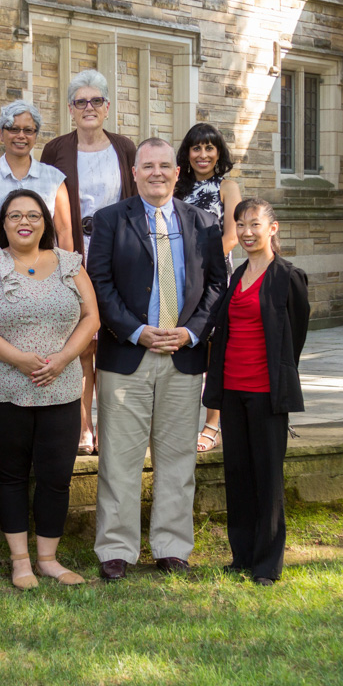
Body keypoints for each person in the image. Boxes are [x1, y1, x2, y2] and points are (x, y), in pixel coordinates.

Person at [86, 137, 227, 581]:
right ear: (135, 172)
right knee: (118, 460)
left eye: (165, 165)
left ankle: (171, 546)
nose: (157, 173)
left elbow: (215, 287)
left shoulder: (203, 222)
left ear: (177, 170)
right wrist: (137, 330)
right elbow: (99, 283)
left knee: (178, 458)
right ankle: (116, 548)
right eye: (148, 166)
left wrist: (189, 332)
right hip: (127, 354)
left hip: (183, 357)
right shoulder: (110, 220)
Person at [0, 189, 99, 590]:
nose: (25, 222)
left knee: (57, 476)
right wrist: (19, 359)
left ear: (45, 223)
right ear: (2, 223)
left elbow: (91, 317)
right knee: (12, 475)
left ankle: (49, 559)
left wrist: (62, 358)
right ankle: (21, 561)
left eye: (34, 215)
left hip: (62, 386)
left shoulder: (68, 263)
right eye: (15, 215)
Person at [202, 198, 309, 587]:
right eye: (241, 225)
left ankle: (267, 563)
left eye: (255, 225)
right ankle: (241, 555)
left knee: (267, 477)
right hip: (232, 389)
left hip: (266, 392)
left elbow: (294, 337)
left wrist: (276, 377)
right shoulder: (237, 276)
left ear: (273, 228)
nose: (247, 232)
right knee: (238, 475)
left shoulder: (287, 276)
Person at [41, 69, 138, 456]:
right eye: (81, 102)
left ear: (107, 106)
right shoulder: (56, 149)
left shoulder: (125, 147)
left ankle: (117, 425)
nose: (89, 108)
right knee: (81, 343)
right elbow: (48, 202)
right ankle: (83, 425)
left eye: (96, 101)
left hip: (119, 257)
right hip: (73, 255)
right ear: (70, 108)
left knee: (116, 339)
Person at [173, 123, 242, 453]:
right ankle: (177, 421)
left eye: (209, 148)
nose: (202, 155)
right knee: (182, 348)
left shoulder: (227, 186)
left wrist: (201, 268)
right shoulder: (176, 185)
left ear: (219, 153)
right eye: (196, 148)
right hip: (177, 279)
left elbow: (232, 235)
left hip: (214, 278)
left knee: (216, 353)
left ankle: (213, 423)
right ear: (187, 153)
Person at [0, 100, 73, 251]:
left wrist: (67, 272)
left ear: (36, 135)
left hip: (44, 269)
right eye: (14, 129)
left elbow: (64, 231)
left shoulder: (54, 179)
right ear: (1, 134)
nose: (21, 136)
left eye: (28, 130)